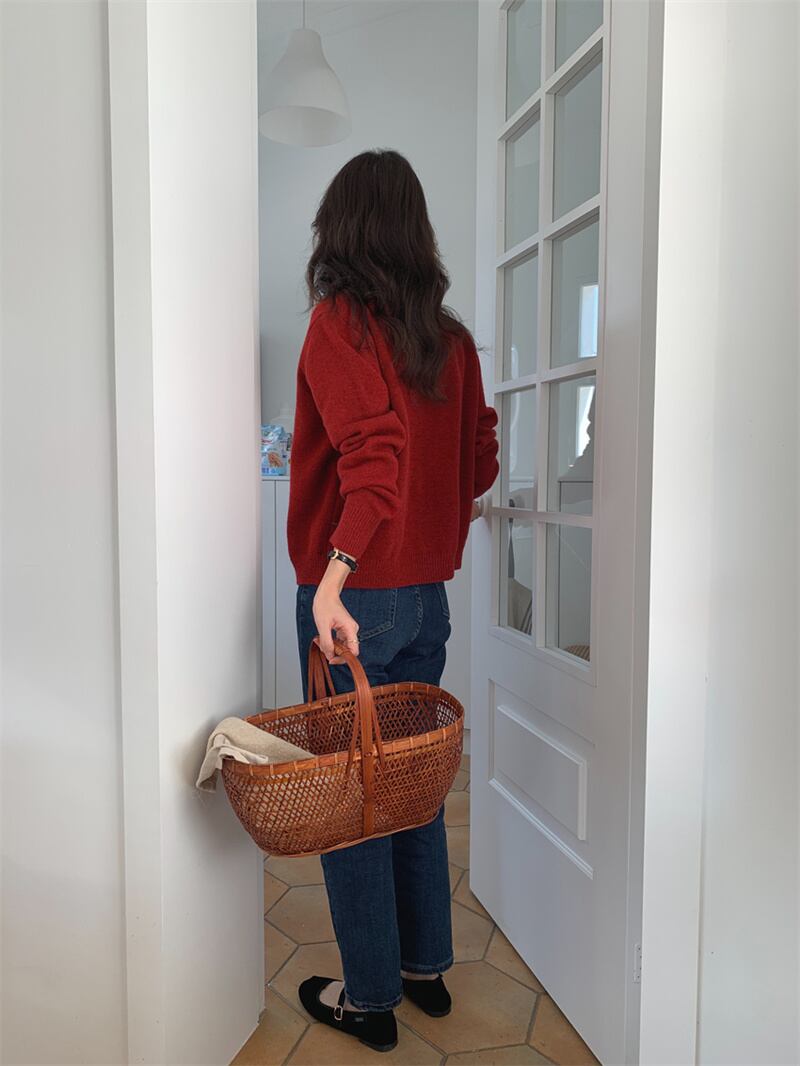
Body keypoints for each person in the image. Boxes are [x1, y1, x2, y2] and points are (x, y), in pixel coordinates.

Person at [287, 148, 499, 1053]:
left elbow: (372, 458)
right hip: (424, 602)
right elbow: (480, 458)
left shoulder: (339, 323)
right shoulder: (451, 341)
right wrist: (429, 522)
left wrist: (334, 579)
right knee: (410, 786)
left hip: (353, 601)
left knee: (354, 800)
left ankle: (369, 999)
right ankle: (425, 970)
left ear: (340, 229)